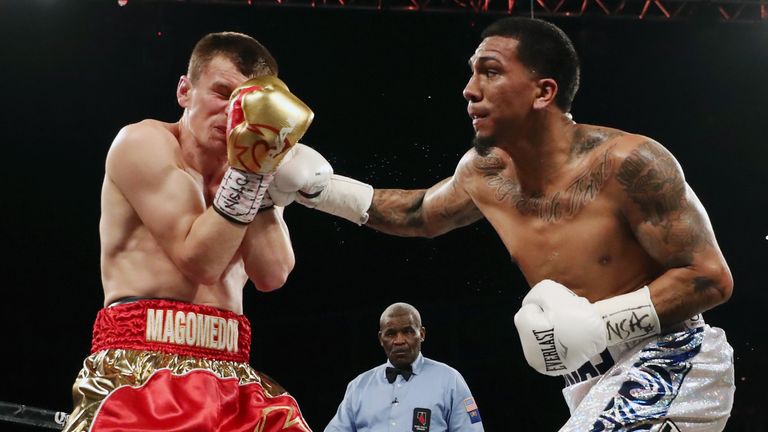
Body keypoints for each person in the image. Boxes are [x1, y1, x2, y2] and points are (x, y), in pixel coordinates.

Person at [268, 17, 735, 431]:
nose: (470, 89)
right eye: (473, 73)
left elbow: (710, 278)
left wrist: (599, 323)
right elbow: (419, 214)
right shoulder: (484, 172)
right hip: (586, 377)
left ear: (543, 91)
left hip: (672, 357)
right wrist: (319, 191)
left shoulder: (630, 163)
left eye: (490, 72)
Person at [63, 32, 314, 432]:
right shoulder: (142, 142)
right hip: (141, 371)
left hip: (234, 375)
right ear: (185, 90)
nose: (234, 113)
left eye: (246, 103)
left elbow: (273, 274)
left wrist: (259, 168)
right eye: (222, 94)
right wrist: (251, 172)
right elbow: (200, 260)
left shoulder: (252, 165)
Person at [325, 303, 484, 432]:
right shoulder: (358, 387)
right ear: (381, 338)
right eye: (391, 333)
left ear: (421, 334)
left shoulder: (450, 380)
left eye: (408, 331)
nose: (399, 340)